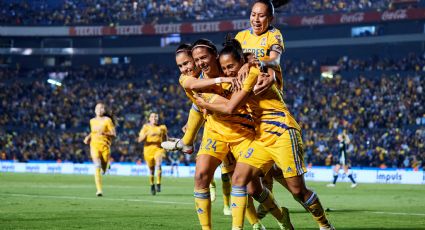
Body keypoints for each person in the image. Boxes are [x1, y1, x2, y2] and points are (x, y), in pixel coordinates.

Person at [194, 38, 334, 230]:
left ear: (241, 62)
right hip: (261, 139)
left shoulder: (251, 73)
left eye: (231, 66)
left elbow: (230, 107)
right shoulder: (243, 74)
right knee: (239, 179)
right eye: (224, 68)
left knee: (298, 190)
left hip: (282, 132)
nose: (228, 72)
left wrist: (204, 104)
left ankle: (325, 226)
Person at [234, 0, 289, 220]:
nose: (256, 19)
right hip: (246, 105)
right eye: (253, 15)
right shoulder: (240, 37)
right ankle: (267, 201)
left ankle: (291, 195)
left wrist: (251, 62)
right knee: (258, 164)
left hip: (269, 106)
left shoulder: (274, 35)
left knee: (269, 163)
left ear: (270, 19)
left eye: (262, 16)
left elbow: (274, 59)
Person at [83, 103, 116, 197]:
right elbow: (93, 132)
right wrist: (88, 137)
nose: (99, 109)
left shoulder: (108, 120)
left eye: (102, 108)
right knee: (97, 165)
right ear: (94, 110)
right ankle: (99, 190)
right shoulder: (92, 121)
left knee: (104, 169)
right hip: (94, 146)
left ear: (104, 111)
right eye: (97, 108)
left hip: (105, 147)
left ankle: (106, 166)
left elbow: (114, 134)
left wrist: (105, 132)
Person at [137, 112, 168, 195]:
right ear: (149, 119)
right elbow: (139, 140)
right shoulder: (145, 127)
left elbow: (165, 138)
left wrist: (166, 146)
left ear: (158, 118)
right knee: (151, 170)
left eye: (156, 116)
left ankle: (158, 183)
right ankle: (152, 185)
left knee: (158, 164)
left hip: (159, 149)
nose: (154, 118)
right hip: (148, 150)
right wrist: (147, 133)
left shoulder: (162, 127)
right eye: (152, 117)